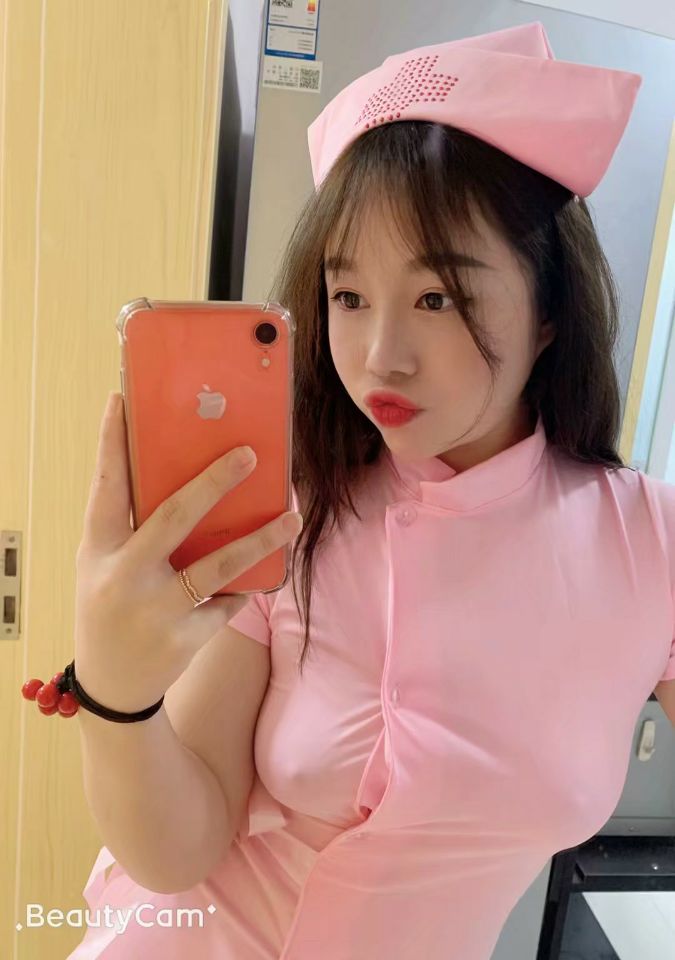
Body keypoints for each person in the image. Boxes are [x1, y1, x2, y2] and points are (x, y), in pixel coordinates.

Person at [64, 22, 675, 960]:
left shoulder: (650, 545)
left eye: (437, 298)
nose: (380, 356)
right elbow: (179, 850)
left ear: (549, 309)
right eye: (347, 297)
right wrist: (115, 693)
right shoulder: (293, 508)